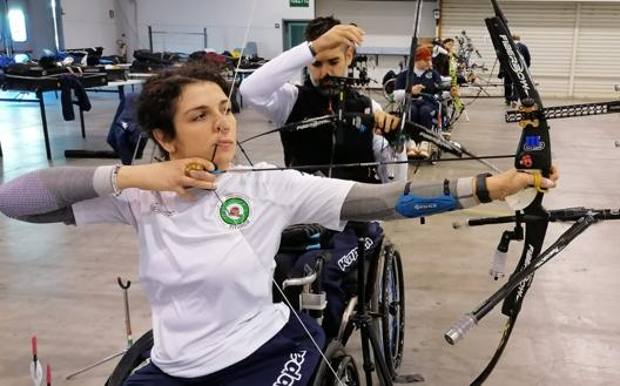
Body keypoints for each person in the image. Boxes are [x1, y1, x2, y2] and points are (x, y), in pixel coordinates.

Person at [0, 63, 558, 386]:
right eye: (200, 117)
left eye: (225, 109)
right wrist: (134, 178)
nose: (222, 125)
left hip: (266, 351)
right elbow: (15, 199)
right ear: (166, 138)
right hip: (172, 367)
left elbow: (388, 200)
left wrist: (493, 187)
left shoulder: (268, 184)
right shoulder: (142, 197)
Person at [240, 16, 406, 184]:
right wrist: (313, 48)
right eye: (316, 64)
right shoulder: (290, 100)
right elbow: (249, 90)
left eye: (333, 62)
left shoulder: (370, 107)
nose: (325, 72)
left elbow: (394, 183)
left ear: (348, 56)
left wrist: (397, 144)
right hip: (307, 206)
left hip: (357, 205)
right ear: (307, 61)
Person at [394, 46, 443, 158]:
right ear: (417, 60)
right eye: (426, 60)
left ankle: (425, 142)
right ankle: (411, 142)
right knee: (411, 111)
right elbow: (395, 95)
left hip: (428, 102)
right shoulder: (405, 74)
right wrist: (410, 91)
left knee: (425, 111)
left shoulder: (433, 74)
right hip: (411, 102)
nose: (429, 63)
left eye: (430, 60)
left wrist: (450, 93)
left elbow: (441, 90)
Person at [499, 33, 531, 108]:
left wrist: (502, 70)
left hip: (508, 69)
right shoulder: (524, 47)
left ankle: (508, 99)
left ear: (511, 39)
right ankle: (515, 99)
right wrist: (526, 68)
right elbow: (527, 58)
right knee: (517, 85)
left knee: (508, 84)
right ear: (519, 39)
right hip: (519, 69)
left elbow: (502, 59)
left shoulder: (507, 47)